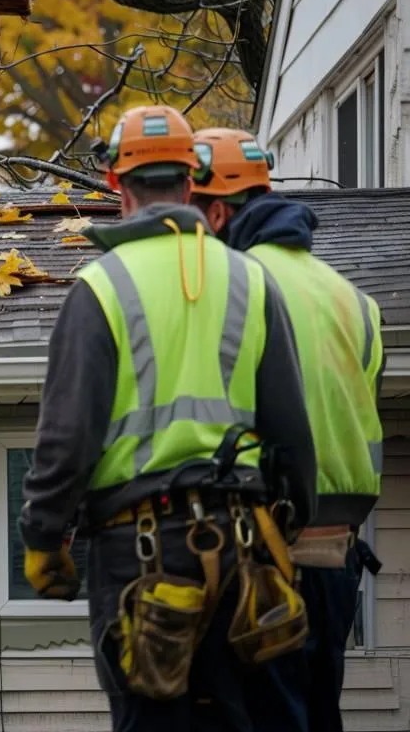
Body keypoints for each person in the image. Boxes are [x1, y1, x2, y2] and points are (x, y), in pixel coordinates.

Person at [19, 105, 317, 732]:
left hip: (139, 554)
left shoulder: (99, 287)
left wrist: (44, 535)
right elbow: (293, 430)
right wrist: (290, 522)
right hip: (245, 548)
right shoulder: (252, 280)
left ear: (114, 185)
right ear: (191, 180)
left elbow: (67, 438)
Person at [190, 127, 385, 732]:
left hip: (258, 556)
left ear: (217, 211)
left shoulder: (230, 287)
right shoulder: (356, 302)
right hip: (336, 557)